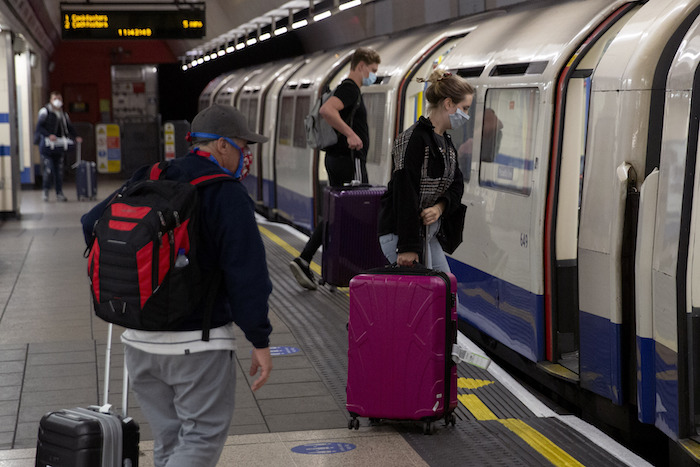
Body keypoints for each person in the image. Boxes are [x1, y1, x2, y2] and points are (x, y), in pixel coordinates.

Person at [81, 104, 273, 467]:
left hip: (138, 341)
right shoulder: (225, 193)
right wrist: (259, 339)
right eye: (242, 146)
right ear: (220, 146)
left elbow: (91, 222)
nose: (245, 156)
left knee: (170, 440)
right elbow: (247, 274)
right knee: (201, 436)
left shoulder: (150, 174)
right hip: (197, 345)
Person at [289, 47, 381, 290]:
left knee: (337, 212)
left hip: (338, 158)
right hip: (350, 160)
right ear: (361, 65)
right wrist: (351, 134)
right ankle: (341, 268)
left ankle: (320, 265)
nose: (373, 75)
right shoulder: (350, 88)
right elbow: (326, 110)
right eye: (372, 70)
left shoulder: (348, 88)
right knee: (356, 212)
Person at [378, 69, 473, 272]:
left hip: (427, 234)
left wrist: (439, 208)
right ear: (448, 104)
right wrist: (407, 247)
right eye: (464, 108)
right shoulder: (413, 139)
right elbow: (404, 194)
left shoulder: (446, 143)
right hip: (401, 237)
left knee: (445, 294)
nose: (466, 115)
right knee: (426, 299)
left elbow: (457, 186)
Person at [34, 91, 82, 202]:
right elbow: (39, 127)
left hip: (58, 147)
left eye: (59, 98)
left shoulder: (63, 114)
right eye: (55, 98)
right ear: (50, 100)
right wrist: (48, 135)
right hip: (46, 147)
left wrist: (76, 136)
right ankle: (45, 192)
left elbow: (69, 128)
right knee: (48, 169)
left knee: (58, 171)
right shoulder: (45, 112)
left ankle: (59, 193)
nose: (58, 101)